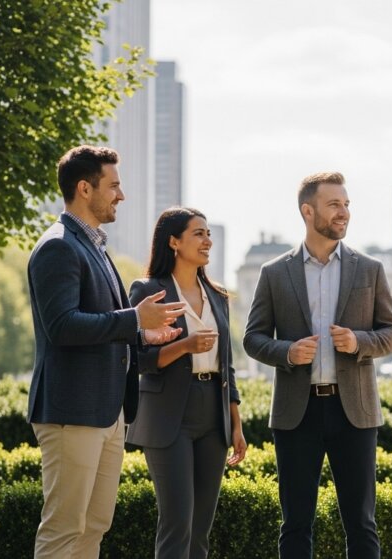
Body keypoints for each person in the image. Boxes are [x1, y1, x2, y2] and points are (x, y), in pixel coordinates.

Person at [27, 145, 184, 559]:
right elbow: (62, 326)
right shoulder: (58, 247)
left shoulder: (92, 246)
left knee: (94, 525)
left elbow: (99, 323)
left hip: (105, 412)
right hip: (73, 412)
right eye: (113, 185)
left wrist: (142, 337)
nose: (121, 195)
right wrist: (134, 320)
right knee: (64, 528)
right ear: (84, 188)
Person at [244, 171, 392, 559]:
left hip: (355, 413)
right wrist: (286, 352)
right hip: (297, 413)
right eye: (334, 205)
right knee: (296, 524)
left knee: (361, 524)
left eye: (346, 205)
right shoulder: (274, 273)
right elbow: (253, 338)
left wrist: (359, 342)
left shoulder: (369, 269)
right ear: (307, 210)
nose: (344, 212)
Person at [126, 207, 248, 558]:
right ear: (174, 242)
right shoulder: (149, 291)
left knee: (200, 529)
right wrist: (184, 347)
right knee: (177, 522)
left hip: (214, 413)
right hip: (168, 415)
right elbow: (138, 360)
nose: (207, 240)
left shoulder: (219, 296)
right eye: (198, 233)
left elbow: (228, 366)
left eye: (209, 233)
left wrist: (235, 423)